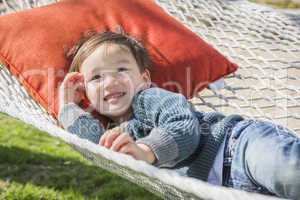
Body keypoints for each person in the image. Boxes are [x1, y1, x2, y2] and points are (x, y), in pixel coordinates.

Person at [58, 29, 300, 199]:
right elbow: (92, 143)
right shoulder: (114, 135)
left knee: (290, 171)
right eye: (97, 77)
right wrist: (67, 105)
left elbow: (184, 126)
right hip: (228, 188)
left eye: (121, 69)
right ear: (86, 92)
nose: (110, 81)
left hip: (236, 147)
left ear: (144, 79)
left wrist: (146, 151)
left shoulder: (148, 98)